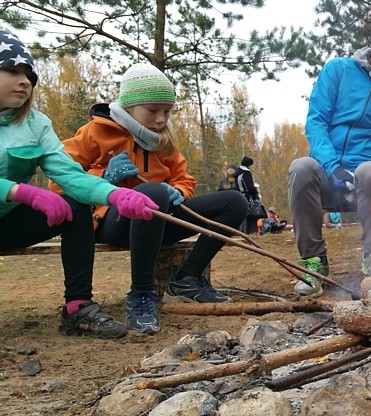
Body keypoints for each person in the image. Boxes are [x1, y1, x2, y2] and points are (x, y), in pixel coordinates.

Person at [52, 63, 248, 335]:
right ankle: (142, 294)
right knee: (153, 192)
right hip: (111, 221)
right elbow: (59, 179)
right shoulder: (96, 132)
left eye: (167, 111)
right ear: (131, 107)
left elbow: (184, 178)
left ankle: (187, 279)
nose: (161, 119)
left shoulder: (163, 140)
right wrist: (105, 178)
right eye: (153, 111)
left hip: (158, 218)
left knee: (235, 202)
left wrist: (178, 192)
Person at [0, 30, 157, 339]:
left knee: (74, 206)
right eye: (12, 71)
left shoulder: (36, 124)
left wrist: (115, 195)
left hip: (6, 224)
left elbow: (70, 176)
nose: (25, 81)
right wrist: (21, 191)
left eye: (29, 74)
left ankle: (77, 307)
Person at [287, 12, 371, 297]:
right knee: (301, 166)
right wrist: (333, 168)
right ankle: (313, 264)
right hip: (326, 175)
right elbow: (316, 121)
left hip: (366, 183)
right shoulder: (338, 70)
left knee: (370, 170)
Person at [235, 155, 264, 234]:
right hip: (247, 197)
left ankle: (240, 231)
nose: (253, 166)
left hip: (239, 196)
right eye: (252, 165)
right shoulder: (247, 173)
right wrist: (256, 194)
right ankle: (250, 231)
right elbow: (250, 187)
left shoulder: (237, 173)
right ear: (249, 165)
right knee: (250, 215)